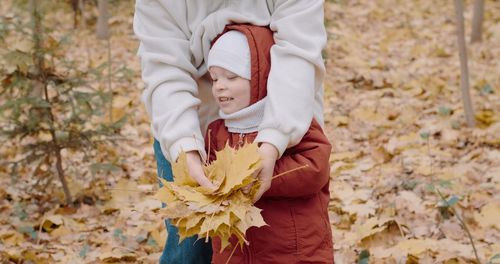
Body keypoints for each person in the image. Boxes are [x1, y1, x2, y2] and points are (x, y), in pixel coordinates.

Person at [133, 1, 328, 263]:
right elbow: (164, 69)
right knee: (190, 247)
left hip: (284, 115)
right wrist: (184, 146)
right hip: (190, 127)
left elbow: (298, 51)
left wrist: (275, 140)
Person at [205, 24, 333, 264]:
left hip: (292, 250)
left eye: (231, 76)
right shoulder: (216, 132)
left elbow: (315, 168)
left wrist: (257, 176)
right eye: (214, 78)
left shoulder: (291, 123)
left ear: (260, 77)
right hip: (235, 252)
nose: (220, 85)